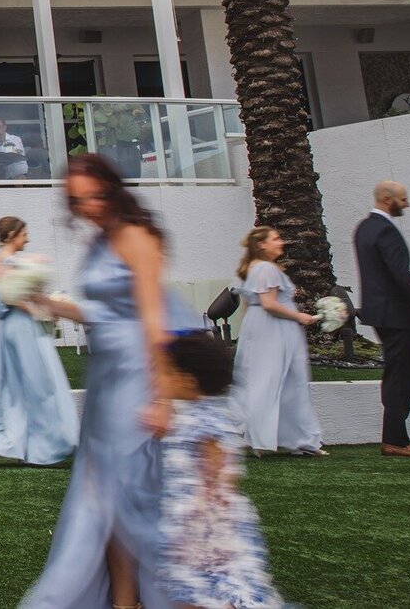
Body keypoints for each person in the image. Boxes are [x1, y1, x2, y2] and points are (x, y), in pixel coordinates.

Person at [25, 154, 186, 609]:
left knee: (128, 491)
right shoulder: (98, 243)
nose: (89, 207)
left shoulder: (138, 238)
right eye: (78, 201)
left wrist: (163, 396)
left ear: (113, 190)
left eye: (96, 196)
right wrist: (51, 304)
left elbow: (155, 322)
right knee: (104, 494)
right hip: (104, 379)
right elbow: (103, 312)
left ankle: (158, 595)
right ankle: (123, 599)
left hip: (138, 374)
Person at [158, 333, 287, 609]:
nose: (159, 378)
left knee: (215, 590)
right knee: (191, 590)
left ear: (187, 380)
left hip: (209, 526)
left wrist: (206, 515)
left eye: (166, 372)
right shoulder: (190, 416)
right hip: (190, 520)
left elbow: (220, 470)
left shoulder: (206, 420)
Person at [0, 217, 78, 467]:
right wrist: (35, 310)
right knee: (30, 382)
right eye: (24, 234)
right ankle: (36, 446)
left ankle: (47, 441)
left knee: (42, 380)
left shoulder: (20, 261)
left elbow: (27, 292)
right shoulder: (0, 262)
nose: (28, 238)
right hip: (18, 326)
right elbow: (7, 296)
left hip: (28, 325)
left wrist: (47, 305)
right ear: (13, 234)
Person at [353, 180, 410, 458]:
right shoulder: (386, 230)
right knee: (399, 376)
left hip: (379, 313)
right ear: (388, 199)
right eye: (403, 200)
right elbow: (402, 276)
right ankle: (395, 441)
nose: (407, 204)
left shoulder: (364, 228)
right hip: (395, 315)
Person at [231, 227, 326, 457]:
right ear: (261, 244)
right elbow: (269, 304)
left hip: (258, 327)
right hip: (275, 328)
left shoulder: (250, 268)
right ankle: (298, 439)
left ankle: (270, 437)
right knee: (286, 380)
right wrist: (300, 316)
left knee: (262, 378)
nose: (281, 242)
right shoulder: (266, 269)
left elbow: (249, 305)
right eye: (275, 239)